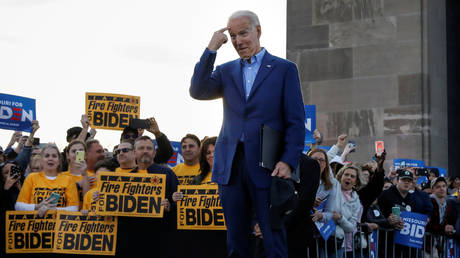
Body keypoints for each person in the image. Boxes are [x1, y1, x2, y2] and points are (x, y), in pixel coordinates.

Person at [190, 10, 305, 257]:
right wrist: (211, 49)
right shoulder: (225, 70)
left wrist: (288, 160)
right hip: (230, 166)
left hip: (269, 166)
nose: (238, 41)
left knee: (272, 239)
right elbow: (198, 90)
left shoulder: (285, 69)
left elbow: (296, 121)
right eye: (232, 36)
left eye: (243, 33)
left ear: (258, 31)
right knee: (236, 241)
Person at [116, 136, 178, 256]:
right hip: (132, 238)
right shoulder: (126, 178)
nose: (145, 151)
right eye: (141, 148)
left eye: (149, 148)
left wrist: (170, 206)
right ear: (134, 153)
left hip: (159, 237)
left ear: (154, 153)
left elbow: (178, 202)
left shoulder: (167, 173)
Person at [14, 144, 79, 216]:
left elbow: (74, 208)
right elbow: (18, 206)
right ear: (41, 160)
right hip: (35, 224)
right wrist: (37, 206)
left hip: (59, 225)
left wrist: (54, 210)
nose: (50, 158)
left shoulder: (68, 180)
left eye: (54, 156)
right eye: (47, 156)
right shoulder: (31, 178)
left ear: (59, 161)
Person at [61, 140, 90, 208]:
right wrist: (77, 185)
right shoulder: (61, 176)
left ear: (85, 155)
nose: (77, 154)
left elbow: (89, 201)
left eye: (80, 151)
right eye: (74, 151)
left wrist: (85, 176)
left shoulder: (92, 177)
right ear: (68, 155)